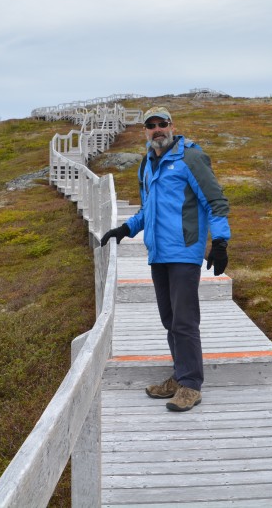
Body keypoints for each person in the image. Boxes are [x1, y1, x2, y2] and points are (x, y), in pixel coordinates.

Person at [99, 106, 230, 412]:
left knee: (184, 321)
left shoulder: (191, 158)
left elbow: (216, 202)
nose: (157, 129)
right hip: (158, 253)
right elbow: (149, 210)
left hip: (184, 252)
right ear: (144, 131)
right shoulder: (147, 163)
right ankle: (180, 374)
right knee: (169, 320)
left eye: (162, 124)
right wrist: (125, 229)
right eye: (151, 125)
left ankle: (191, 386)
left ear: (172, 125)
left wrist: (221, 242)